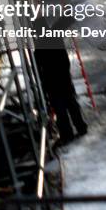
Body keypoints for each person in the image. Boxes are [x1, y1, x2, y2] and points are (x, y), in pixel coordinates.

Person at [34, 17, 88, 146]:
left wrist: (43, 85)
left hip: (51, 82)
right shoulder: (54, 35)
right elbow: (63, 22)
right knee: (71, 103)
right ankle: (81, 127)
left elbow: (39, 69)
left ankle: (67, 134)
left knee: (60, 109)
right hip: (63, 76)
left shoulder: (39, 48)